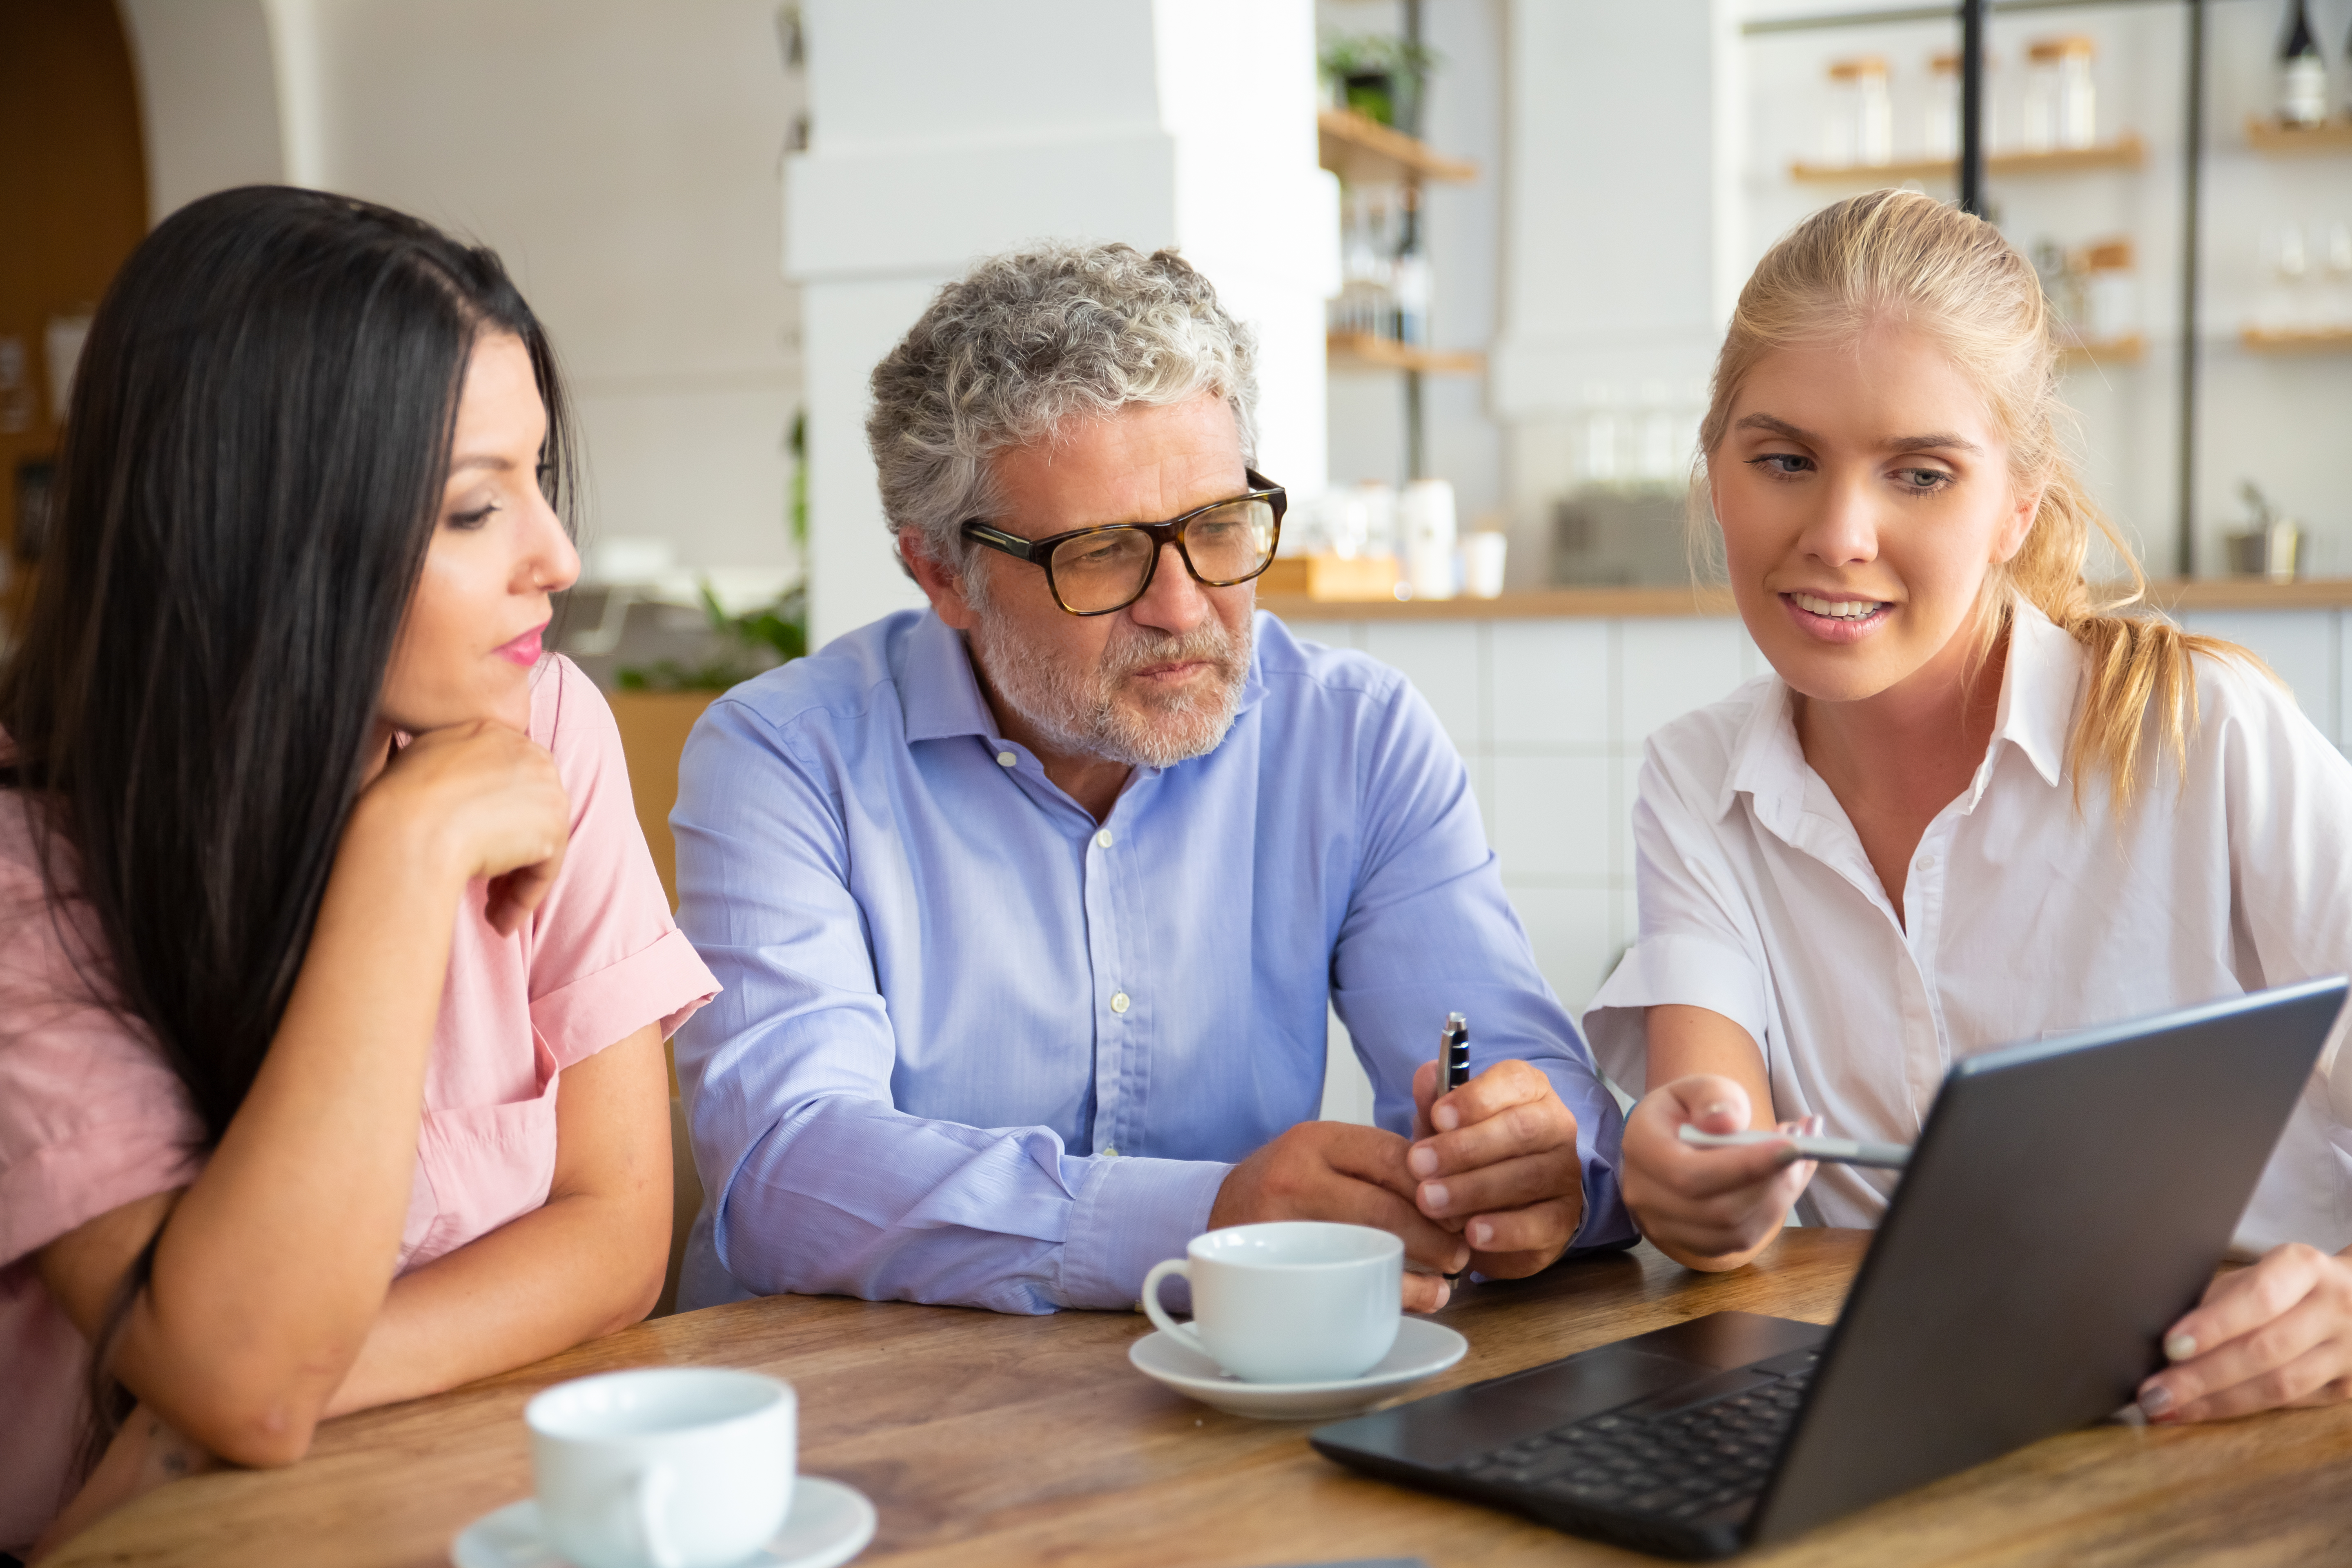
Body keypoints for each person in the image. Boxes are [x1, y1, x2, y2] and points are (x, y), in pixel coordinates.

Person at [672, 242, 1632, 1318]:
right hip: (875, 1426)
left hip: (1245, 1403)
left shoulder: (1355, 737)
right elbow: (786, 1175)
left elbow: (1562, 1133)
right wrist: (1207, 1221)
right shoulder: (781, 758)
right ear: (942, 572)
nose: (1183, 609)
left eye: (1218, 529)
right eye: (1102, 554)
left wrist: (1538, 1175)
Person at [0, 187, 717, 1561]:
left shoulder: (549, 721)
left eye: (540, 483)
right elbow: (247, 1385)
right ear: (260, 533)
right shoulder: (32, 864)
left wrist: (204, 1403)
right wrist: (405, 853)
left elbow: (620, 1237)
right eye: (470, 509)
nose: (555, 561)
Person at [1586, 187, 2352, 1427]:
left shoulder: (2202, 732)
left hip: (2257, 1425)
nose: (1839, 534)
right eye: (1784, 460)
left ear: (2016, 507)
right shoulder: (1697, 779)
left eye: (1921, 475)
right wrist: (1692, 1184)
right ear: (1717, 476)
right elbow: (1708, 1137)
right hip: (1911, 1430)